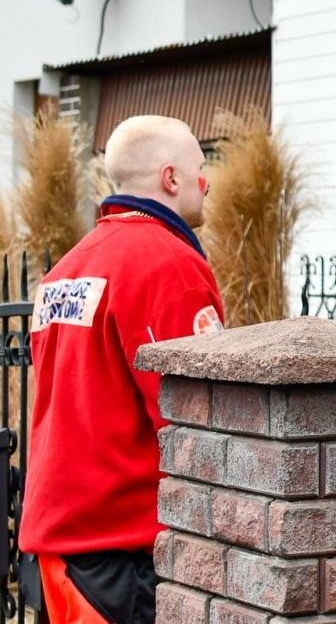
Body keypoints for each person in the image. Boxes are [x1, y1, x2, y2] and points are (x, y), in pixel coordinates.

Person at [20, 115, 225, 624]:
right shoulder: (168, 266)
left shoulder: (65, 270)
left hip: (58, 554)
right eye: (202, 168)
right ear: (171, 178)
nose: (208, 182)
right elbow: (196, 415)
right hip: (121, 554)